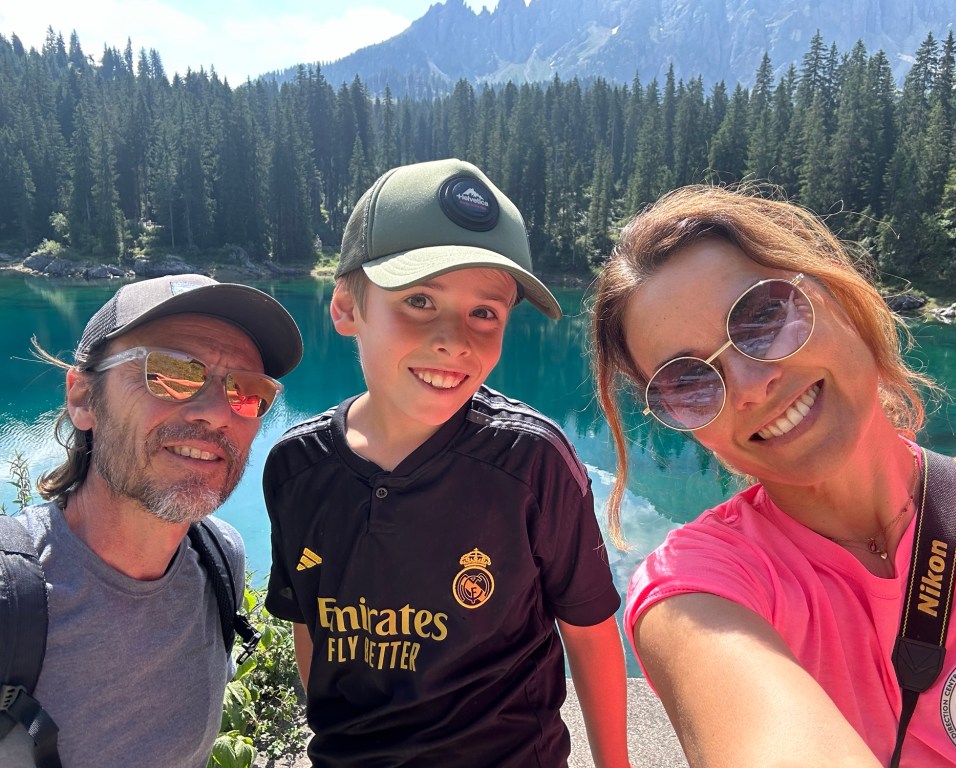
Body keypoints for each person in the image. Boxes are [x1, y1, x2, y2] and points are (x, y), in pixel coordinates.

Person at [589, 184, 956, 767]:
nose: (749, 386)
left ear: (839, 294)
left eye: (764, 316)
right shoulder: (698, 590)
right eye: (688, 381)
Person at [264, 158, 631, 767]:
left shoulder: (532, 462)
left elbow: (589, 630)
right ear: (347, 308)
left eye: (485, 313)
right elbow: (310, 629)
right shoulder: (295, 468)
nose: (455, 340)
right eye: (419, 299)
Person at [0, 274, 302, 768]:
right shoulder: (10, 596)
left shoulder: (219, 559)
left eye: (247, 391)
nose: (217, 413)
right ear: (83, 399)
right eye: (170, 372)